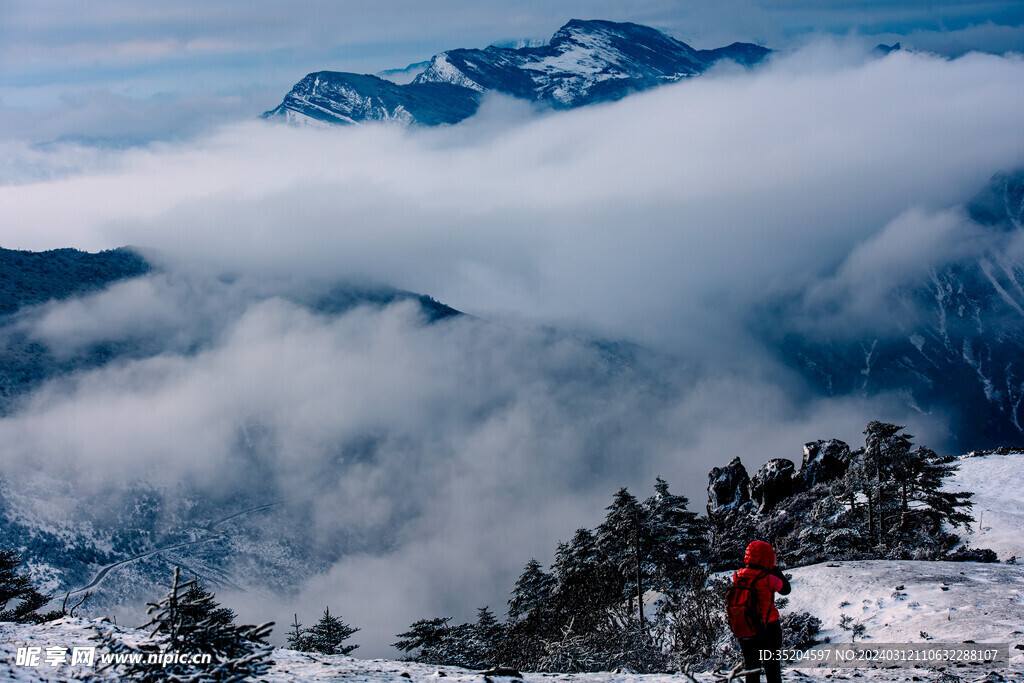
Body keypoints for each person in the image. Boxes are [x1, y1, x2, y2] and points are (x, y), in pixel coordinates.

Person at [733, 540, 791, 683]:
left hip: (746, 627)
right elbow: (785, 589)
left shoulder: (738, 575)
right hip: (768, 627)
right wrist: (775, 568)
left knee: (751, 669)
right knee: (772, 669)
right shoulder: (768, 578)